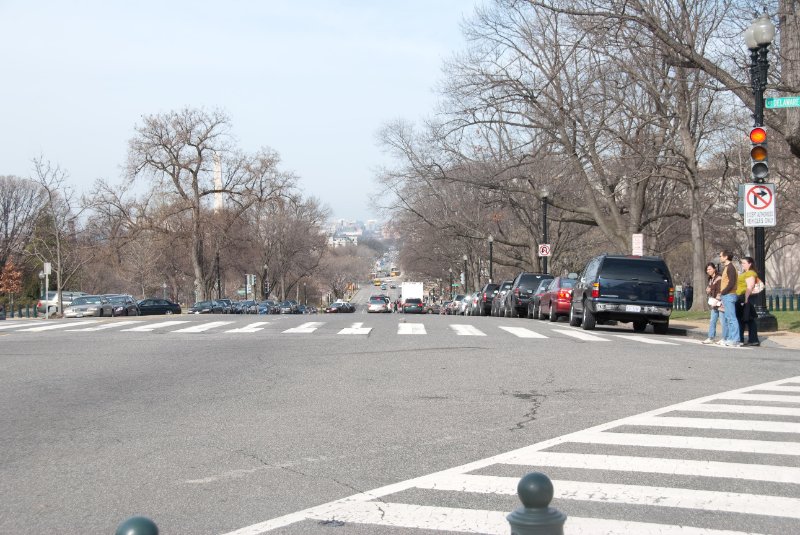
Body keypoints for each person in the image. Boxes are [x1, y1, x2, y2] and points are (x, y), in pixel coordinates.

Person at [718, 250, 741, 347]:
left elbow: (731, 283)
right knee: (728, 318)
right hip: (726, 295)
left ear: (726, 256)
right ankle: (731, 338)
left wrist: (722, 292)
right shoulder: (727, 267)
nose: (720, 257)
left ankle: (735, 340)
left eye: (721, 256)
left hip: (729, 295)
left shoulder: (731, 267)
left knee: (731, 318)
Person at [736, 256, 760, 347]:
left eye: (744, 263)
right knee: (745, 318)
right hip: (741, 296)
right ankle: (746, 339)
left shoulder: (750, 273)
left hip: (745, 297)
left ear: (750, 264)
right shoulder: (744, 273)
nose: (742, 265)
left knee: (747, 318)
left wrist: (746, 298)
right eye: (741, 263)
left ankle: (751, 339)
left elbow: (750, 286)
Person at [702, 263, 724, 344]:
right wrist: (708, 290)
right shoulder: (710, 279)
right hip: (714, 302)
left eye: (710, 269)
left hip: (720, 302)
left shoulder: (719, 278)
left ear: (714, 269)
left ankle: (725, 338)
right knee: (712, 320)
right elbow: (711, 290)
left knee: (722, 321)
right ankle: (711, 337)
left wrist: (717, 299)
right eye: (707, 270)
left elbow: (720, 290)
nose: (708, 271)